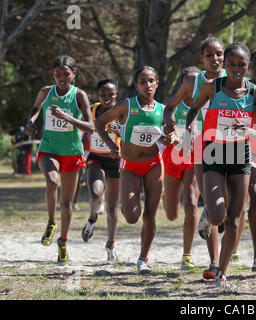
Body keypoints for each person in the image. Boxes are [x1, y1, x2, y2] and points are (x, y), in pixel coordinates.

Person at [179, 42, 256, 288]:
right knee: (219, 215)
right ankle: (208, 215)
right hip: (213, 151)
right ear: (225, 65)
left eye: (242, 65)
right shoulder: (212, 88)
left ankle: (222, 272)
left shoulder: (254, 93)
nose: (236, 69)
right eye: (231, 64)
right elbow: (193, 109)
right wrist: (187, 131)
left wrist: (249, 129)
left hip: (240, 153)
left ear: (248, 66)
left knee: (235, 218)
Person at [164, 35, 226, 280]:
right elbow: (169, 106)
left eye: (218, 54)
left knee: (228, 205)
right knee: (210, 202)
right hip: (200, 146)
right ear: (201, 58)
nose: (215, 59)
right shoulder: (193, 81)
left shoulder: (233, 80)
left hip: (229, 145)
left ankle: (208, 217)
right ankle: (214, 264)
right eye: (209, 55)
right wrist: (170, 123)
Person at [95, 66, 168, 274]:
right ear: (136, 85)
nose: (147, 85)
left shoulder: (162, 110)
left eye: (151, 81)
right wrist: (112, 146)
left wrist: (172, 137)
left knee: (151, 214)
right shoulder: (126, 105)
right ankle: (126, 206)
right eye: (143, 82)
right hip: (130, 166)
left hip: (154, 164)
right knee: (132, 216)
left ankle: (143, 259)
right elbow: (100, 123)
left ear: (157, 83)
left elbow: (163, 135)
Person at [25, 55, 94, 264]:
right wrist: (31, 121)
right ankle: (51, 223)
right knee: (52, 181)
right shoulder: (46, 92)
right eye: (57, 74)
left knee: (66, 202)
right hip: (49, 149)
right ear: (53, 75)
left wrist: (67, 117)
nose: (62, 78)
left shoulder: (79, 95)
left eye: (66, 74)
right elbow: (36, 108)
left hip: (72, 152)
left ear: (74, 74)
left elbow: (90, 126)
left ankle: (63, 242)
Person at [232, 48, 256, 271]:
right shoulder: (239, 89)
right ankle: (210, 213)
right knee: (234, 205)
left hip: (255, 152)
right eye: (255, 66)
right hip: (228, 152)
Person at [162, 66, 201, 269]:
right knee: (171, 214)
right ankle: (166, 198)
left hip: (195, 159)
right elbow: (164, 126)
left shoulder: (205, 101)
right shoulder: (173, 104)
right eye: (189, 81)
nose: (193, 86)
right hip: (173, 158)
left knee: (192, 202)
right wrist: (172, 134)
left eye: (196, 81)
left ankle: (187, 253)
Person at [81, 78, 121, 264]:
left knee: (113, 207)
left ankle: (110, 245)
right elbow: (83, 128)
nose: (107, 98)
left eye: (110, 94)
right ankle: (91, 219)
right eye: (103, 95)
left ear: (116, 95)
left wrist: (119, 131)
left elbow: (130, 133)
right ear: (98, 96)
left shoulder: (121, 110)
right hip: (95, 157)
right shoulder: (92, 109)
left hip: (115, 160)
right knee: (96, 192)